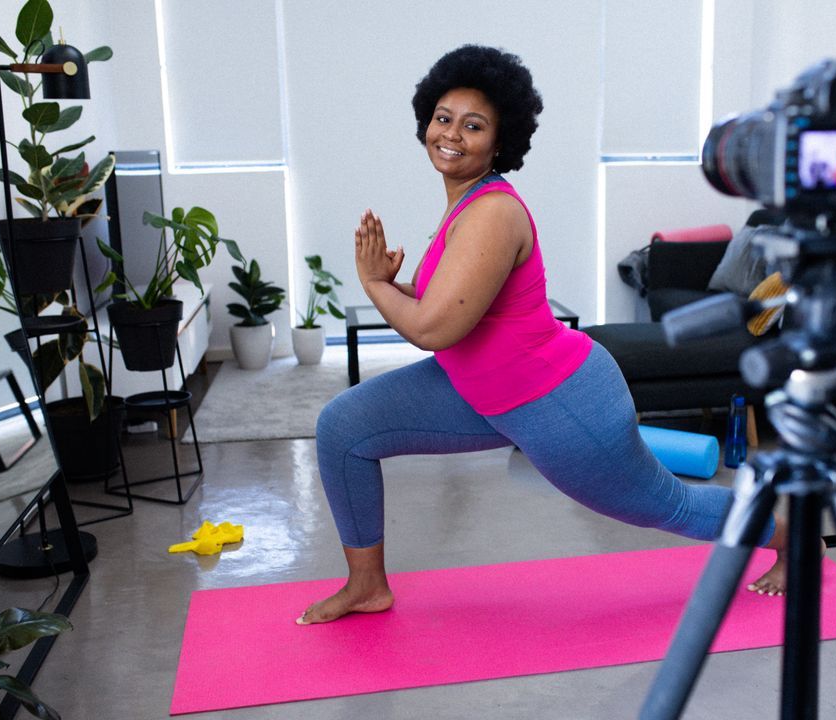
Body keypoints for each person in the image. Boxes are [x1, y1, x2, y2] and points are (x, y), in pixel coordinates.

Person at [297, 45, 789, 625]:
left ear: (500, 142)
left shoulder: (492, 213)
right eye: (443, 118)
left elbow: (433, 327)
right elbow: (446, 305)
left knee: (665, 504)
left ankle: (787, 530)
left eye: (473, 125)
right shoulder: (464, 204)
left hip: (559, 401)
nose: (451, 134)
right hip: (480, 389)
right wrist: (394, 284)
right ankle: (367, 585)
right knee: (345, 428)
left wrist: (374, 283)